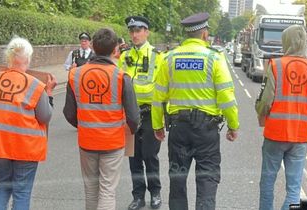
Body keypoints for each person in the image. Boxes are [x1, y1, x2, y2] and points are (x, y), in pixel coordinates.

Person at [151, 12, 239, 210]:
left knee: (178, 181)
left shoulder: (168, 58)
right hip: (206, 130)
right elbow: (226, 97)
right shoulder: (214, 58)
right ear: (205, 35)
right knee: (207, 180)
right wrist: (233, 126)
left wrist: (157, 125)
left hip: (178, 129)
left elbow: (158, 97)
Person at [63, 28, 140, 210]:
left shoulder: (75, 75)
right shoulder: (121, 77)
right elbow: (133, 116)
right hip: (112, 142)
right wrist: (132, 130)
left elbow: (68, 112)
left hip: (87, 141)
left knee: (90, 190)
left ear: (93, 47)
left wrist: (83, 125)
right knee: (107, 191)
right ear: (115, 49)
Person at [255, 25, 307, 210]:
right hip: (300, 136)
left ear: (285, 41)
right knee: (294, 188)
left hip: (275, 134)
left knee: (267, 182)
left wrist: (260, 110)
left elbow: (266, 102)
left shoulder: (276, 65)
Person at [0, 36, 57, 209]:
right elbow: (45, 117)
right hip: (25, 149)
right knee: (21, 191)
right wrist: (49, 94)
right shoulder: (36, 85)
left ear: (9, 58)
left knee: (2, 185)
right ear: (28, 59)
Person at [117, 15, 163, 210]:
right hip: (130, 115)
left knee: (150, 156)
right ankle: (138, 196)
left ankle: (155, 193)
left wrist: (162, 120)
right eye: (132, 31)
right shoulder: (124, 56)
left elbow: (162, 88)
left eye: (138, 30)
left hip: (150, 113)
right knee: (133, 158)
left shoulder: (157, 56)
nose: (134, 34)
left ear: (146, 32)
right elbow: (118, 83)